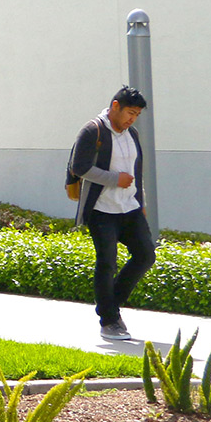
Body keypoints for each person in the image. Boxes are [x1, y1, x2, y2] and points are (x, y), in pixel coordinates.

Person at [66, 86, 155, 342]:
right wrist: (115, 179)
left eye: (136, 115)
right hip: (101, 209)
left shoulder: (132, 134)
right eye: (130, 112)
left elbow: (135, 172)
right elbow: (80, 167)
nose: (132, 119)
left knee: (146, 255)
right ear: (115, 106)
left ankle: (110, 303)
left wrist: (142, 201)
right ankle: (110, 320)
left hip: (130, 207)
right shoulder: (93, 130)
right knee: (107, 262)